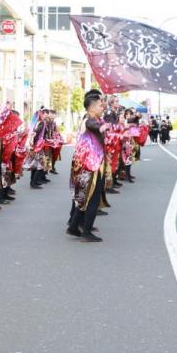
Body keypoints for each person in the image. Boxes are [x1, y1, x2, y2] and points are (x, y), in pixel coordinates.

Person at [67, 90, 108, 242]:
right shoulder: (88, 120)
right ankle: (86, 232)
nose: (102, 107)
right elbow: (93, 126)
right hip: (90, 166)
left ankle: (73, 226)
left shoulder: (95, 119)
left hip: (90, 164)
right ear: (91, 108)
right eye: (99, 105)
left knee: (85, 197)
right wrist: (102, 128)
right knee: (92, 199)